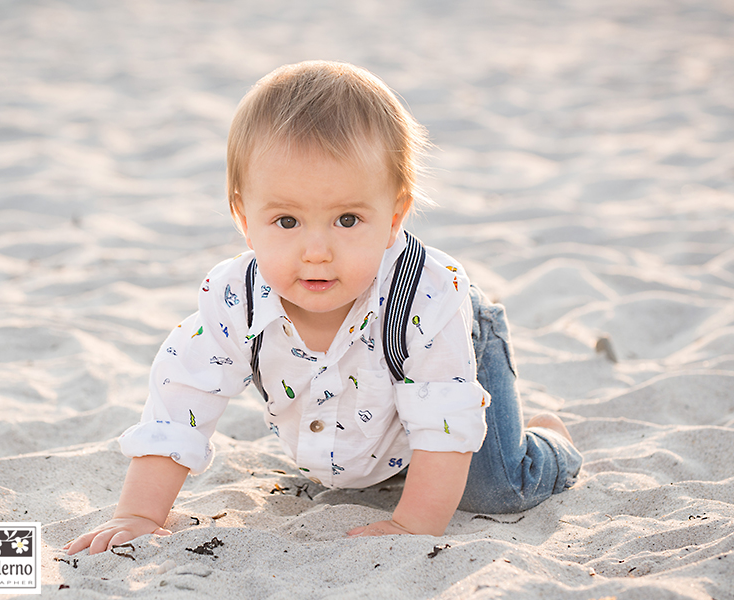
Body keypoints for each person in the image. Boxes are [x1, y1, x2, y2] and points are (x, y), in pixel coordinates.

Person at [65, 60, 582, 555]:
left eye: (348, 219)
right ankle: (395, 460)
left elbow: (444, 418)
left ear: (395, 214)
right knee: (363, 469)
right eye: (287, 222)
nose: (316, 251)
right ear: (244, 218)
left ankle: (549, 439)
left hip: (451, 347)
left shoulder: (424, 294)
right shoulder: (236, 298)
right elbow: (182, 398)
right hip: (361, 415)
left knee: (493, 489)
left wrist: (411, 525)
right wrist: (140, 514)